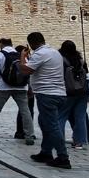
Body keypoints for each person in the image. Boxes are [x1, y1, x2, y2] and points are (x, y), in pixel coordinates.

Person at [19, 32, 69, 168]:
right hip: (59, 94)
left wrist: (23, 57)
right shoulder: (54, 52)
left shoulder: (40, 54)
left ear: (31, 43)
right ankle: (46, 152)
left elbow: (25, 70)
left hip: (47, 95)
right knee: (44, 122)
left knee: (52, 126)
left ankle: (63, 157)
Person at [0, 38, 32, 144]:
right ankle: (29, 136)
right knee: (25, 111)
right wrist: (28, 86)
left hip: (3, 86)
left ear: (1, 44)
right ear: (11, 44)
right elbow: (26, 70)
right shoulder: (20, 54)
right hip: (21, 87)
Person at [59, 40, 89, 149]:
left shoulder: (61, 61)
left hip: (68, 92)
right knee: (80, 117)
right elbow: (87, 78)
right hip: (83, 92)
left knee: (61, 116)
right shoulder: (81, 61)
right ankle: (80, 142)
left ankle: (59, 140)